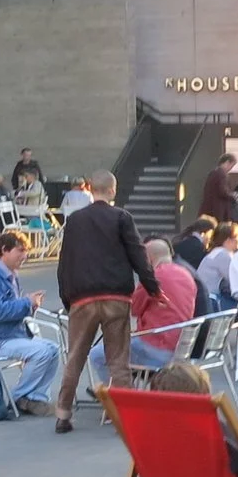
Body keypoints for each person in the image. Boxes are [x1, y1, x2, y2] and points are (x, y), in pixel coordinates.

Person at [52, 171, 164, 433]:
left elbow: (64, 264)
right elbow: (139, 256)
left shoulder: (75, 221)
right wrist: (153, 289)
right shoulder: (122, 218)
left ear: (90, 189)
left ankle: (63, 414)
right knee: (118, 360)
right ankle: (127, 416)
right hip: (116, 297)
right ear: (113, 190)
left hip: (83, 298)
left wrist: (68, 300)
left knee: (75, 358)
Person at [0, 229, 64, 416]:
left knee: (54, 349)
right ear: (4, 250)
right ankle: (19, 397)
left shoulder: (10, 274)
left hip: (10, 335)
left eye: (25, 251)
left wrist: (29, 305)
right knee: (42, 352)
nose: (25, 256)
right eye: (20, 251)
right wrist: (26, 302)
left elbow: (9, 307)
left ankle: (36, 397)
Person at [123, 239, 203, 373]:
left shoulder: (152, 278)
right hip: (181, 346)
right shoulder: (186, 274)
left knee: (98, 355)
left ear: (149, 257)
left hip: (157, 346)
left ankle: (121, 393)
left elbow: (134, 309)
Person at [195, 222, 238, 312]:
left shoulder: (216, 252)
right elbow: (235, 280)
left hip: (206, 297)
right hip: (212, 300)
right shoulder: (223, 255)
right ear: (228, 240)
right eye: (237, 236)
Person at [198, 154, 238, 223]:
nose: (231, 168)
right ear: (227, 162)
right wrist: (232, 195)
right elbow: (223, 191)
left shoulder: (213, 173)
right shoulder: (221, 174)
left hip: (210, 208)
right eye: (232, 165)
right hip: (218, 209)